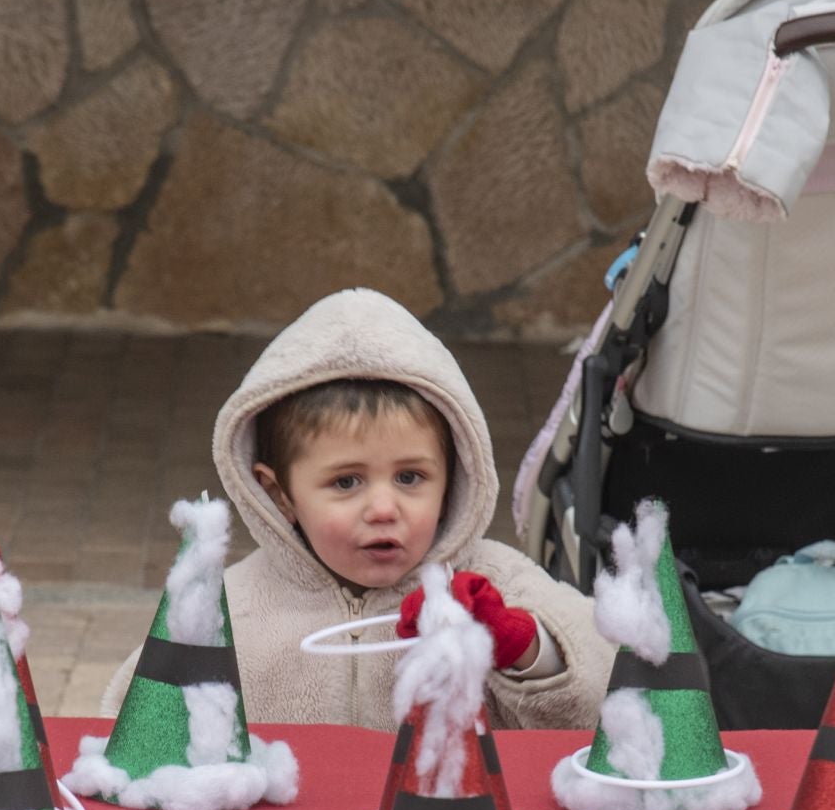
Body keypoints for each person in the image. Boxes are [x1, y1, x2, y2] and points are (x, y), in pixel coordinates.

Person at [101, 288, 613, 730]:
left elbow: (606, 696)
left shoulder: (494, 583)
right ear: (281, 495)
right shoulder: (227, 610)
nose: (385, 508)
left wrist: (522, 645)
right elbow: (132, 727)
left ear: (452, 477)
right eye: (347, 482)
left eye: (411, 477)